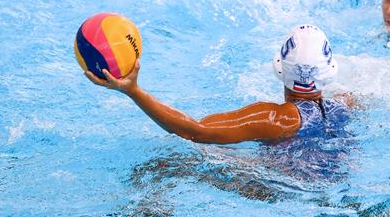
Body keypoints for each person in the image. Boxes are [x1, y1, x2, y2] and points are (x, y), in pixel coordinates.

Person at [84, 23, 352, 144]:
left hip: (288, 194)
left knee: (170, 163)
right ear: (328, 71)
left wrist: (133, 91)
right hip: (329, 190)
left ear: (280, 69)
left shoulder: (276, 119)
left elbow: (195, 131)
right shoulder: (345, 105)